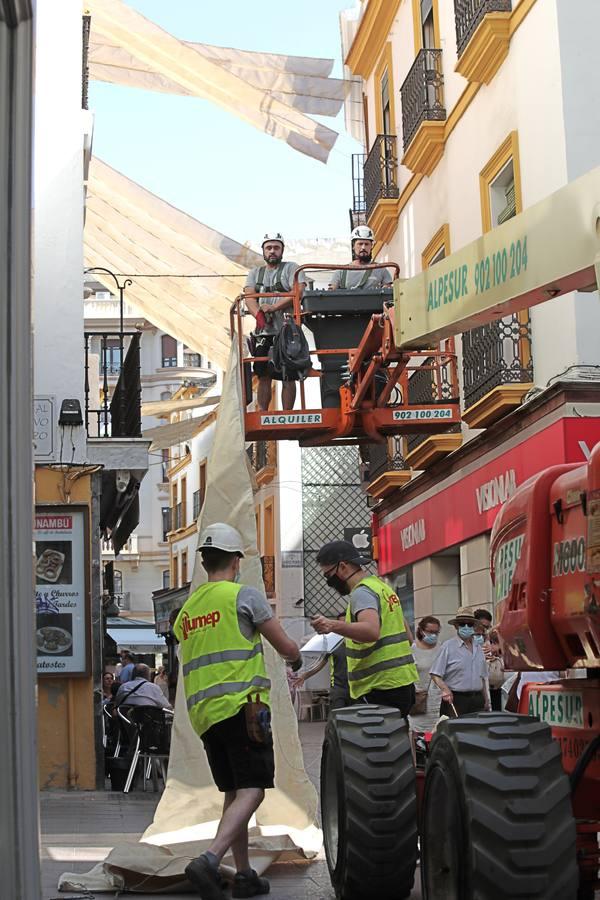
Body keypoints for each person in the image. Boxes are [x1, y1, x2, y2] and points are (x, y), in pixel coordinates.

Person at [176, 523, 302, 900]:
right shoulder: (243, 597)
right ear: (235, 561)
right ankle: (210, 859)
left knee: (234, 793)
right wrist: (296, 658)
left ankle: (245, 875)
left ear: (203, 562)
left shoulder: (187, 610)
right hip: (243, 708)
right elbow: (283, 645)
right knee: (253, 790)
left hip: (205, 715)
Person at [311, 541, 418, 718]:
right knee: (395, 739)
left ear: (343, 566)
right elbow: (408, 636)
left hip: (379, 688)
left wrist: (332, 625)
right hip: (401, 683)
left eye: (328, 574)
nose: (329, 581)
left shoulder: (362, 593)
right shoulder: (383, 588)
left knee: (372, 743)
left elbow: (370, 631)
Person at [243, 232, 306, 412]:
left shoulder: (292, 268)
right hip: (264, 332)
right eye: (269, 248)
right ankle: (263, 411)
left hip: (287, 331)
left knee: (289, 373)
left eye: (276, 248)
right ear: (263, 251)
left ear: (282, 250)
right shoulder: (255, 273)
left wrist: (273, 307)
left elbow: (298, 291)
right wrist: (259, 315)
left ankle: (287, 414)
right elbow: (249, 296)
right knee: (263, 373)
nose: (272, 251)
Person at [430, 607, 491, 717]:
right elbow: (435, 674)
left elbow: (482, 677)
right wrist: (445, 690)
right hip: (456, 699)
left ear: (474, 626)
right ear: (456, 626)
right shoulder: (448, 647)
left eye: (470, 624)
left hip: (477, 699)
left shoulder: (478, 648)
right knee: (454, 731)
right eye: (462, 624)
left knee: (477, 731)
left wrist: (486, 699)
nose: (466, 627)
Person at [293, 612, 352, 712]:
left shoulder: (357, 642)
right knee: (337, 717)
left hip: (355, 687)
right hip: (338, 688)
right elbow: (320, 664)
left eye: (345, 622)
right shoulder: (334, 644)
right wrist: (305, 676)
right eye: (340, 622)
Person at [328, 225, 393, 291]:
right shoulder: (340, 272)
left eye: (366, 244)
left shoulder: (381, 270)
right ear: (353, 246)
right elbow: (330, 293)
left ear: (371, 246)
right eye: (360, 244)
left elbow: (388, 292)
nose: (363, 247)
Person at [408, 616, 442, 734]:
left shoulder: (442, 650)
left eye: (436, 632)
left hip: (439, 701)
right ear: (421, 631)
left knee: (437, 733)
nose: (433, 635)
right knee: (421, 736)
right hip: (420, 702)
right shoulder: (412, 650)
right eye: (430, 632)